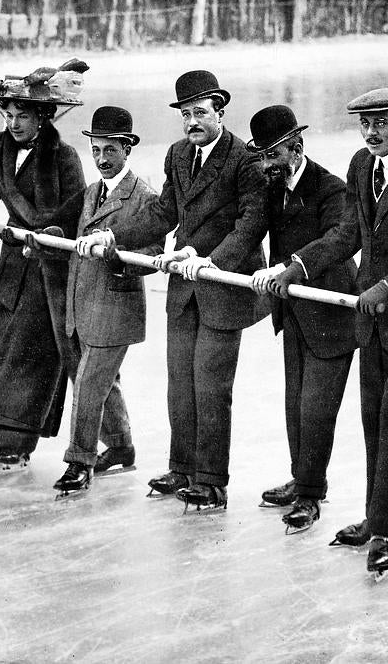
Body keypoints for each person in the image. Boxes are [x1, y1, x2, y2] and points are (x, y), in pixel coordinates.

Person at [274, 88, 388, 574]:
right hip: (372, 324)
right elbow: (347, 234)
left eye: (381, 122)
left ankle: (384, 531)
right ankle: (375, 517)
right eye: (365, 124)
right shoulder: (361, 166)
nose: (372, 132)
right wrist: (300, 264)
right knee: (373, 422)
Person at [131, 70, 268, 511]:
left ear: (220, 112)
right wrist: (116, 237)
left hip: (223, 288)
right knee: (179, 384)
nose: (192, 122)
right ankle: (182, 468)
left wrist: (212, 261)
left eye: (200, 113)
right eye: (185, 114)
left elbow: (252, 222)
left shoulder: (245, 159)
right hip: (183, 288)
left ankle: (211, 482)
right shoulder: (177, 154)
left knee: (211, 386)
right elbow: (164, 211)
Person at [0, 62, 87, 469]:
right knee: (6, 351)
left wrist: (45, 231)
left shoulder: (64, 156)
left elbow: (77, 210)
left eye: (23, 115)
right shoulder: (1, 147)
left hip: (47, 266)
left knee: (32, 356)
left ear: (43, 116)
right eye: (9, 114)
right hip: (11, 267)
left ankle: (16, 442)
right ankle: (4, 436)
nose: (14, 123)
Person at [249, 105, 357, 533]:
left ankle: (312, 494)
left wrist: (291, 266)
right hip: (293, 312)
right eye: (260, 156)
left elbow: (339, 240)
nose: (265, 165)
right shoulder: (273, 188)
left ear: (297, 148)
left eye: (271, 156)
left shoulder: (330, 188)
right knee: (295, 405)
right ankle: (301, 478)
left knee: (316, 409)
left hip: (330, 315)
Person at [51, 106, 161, 495]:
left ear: (128, 149)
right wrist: (41, 237)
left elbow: (151, 256)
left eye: (110, 150)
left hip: (116, 310)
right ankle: (121, 447)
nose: (101, 159)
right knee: (103, 380)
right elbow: (68, 228)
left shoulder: (145, 197)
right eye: (95, 150)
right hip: (83, 305)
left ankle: (79, 461)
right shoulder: (92, 192)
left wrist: (115, 255)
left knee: (88, 382)